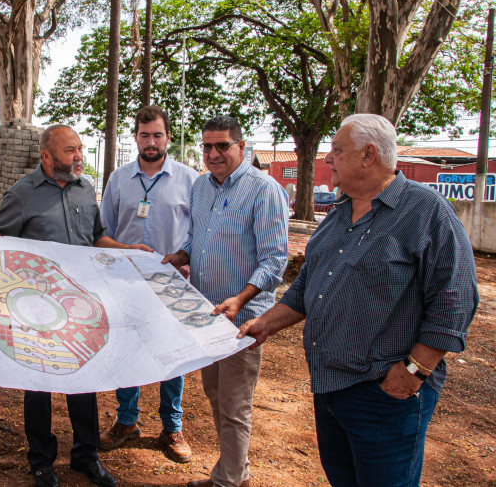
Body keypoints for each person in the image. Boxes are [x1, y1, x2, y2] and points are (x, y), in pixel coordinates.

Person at [238, 114, 478, 487]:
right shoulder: (338, 214)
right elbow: (306, 287)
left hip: (383, 392)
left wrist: (414, 371)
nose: (328, 159)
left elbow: (455, 299)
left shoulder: (425, 210)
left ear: (369, 155)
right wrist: (263, 324)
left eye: (337, 150)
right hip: (330, 387)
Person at [0, 124, 152, 487]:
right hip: (36, 315)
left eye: (79, 149)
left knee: (84, 382)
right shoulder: (20, 195)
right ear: (46, 156)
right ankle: (41, 462)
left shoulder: (85, 189)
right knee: (39, 387)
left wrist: (128, 251)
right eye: (69, 151)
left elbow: (96, 238)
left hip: (81, 308)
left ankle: (85, 456)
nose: (78, 156)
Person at [163, 115, 289, 487]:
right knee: (217, 397)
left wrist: (242, 297)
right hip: (204, 316)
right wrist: (179, 257)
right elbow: (195, 238)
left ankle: (230, 481)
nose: (213, 154)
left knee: (234, 406)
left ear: (241, 147)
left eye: (222, 146)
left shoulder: (265, 190)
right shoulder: (201, 186)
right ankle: (233, 474)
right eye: (207, 146)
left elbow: (274, 259)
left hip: (242, 320)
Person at [98, 105, 198, 462]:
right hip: (125, 282)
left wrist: (187, 258)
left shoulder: (190, 179)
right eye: (144, 135)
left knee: (174, 353)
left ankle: (172, 427)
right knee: (127, 350)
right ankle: (126, 420)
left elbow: (199, 233)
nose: (151, 141)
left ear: (168, 137)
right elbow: (103, 232)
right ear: (135, 137)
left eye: (157, 135)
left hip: (173, 283)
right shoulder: (118, 179)